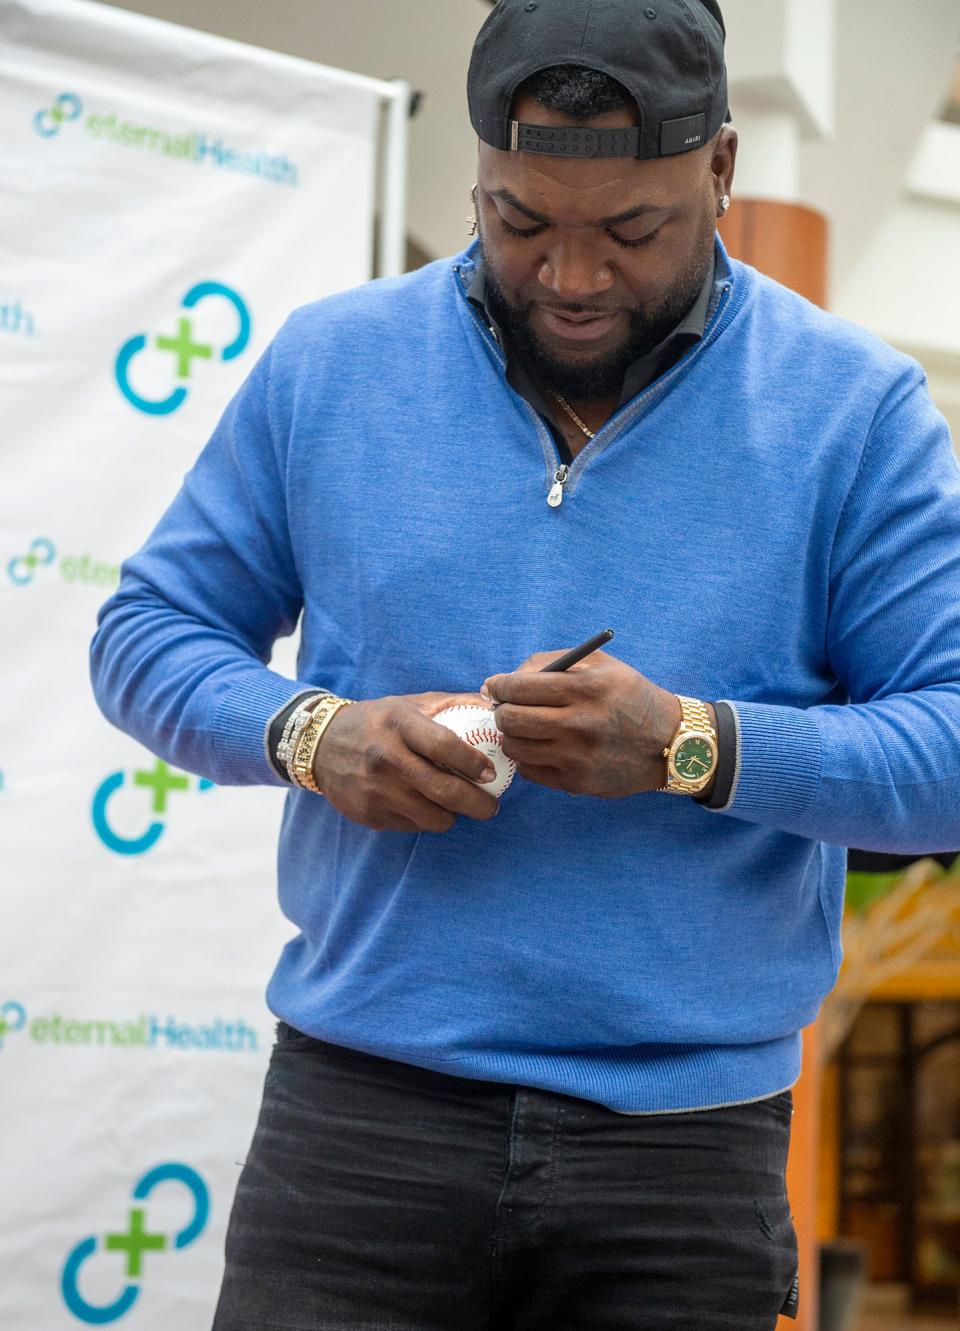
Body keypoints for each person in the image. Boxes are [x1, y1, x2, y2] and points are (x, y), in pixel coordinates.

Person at [88, 0, 960, 1326]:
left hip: (686, 1152)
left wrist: (693, 746)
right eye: (517, 221)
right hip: (358, 1124)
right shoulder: (332, 366)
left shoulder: (855, 412)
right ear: (477, 178)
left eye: (629, 231)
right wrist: (314, 733)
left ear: (722, 170)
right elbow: (145, 634)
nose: (569, 274)